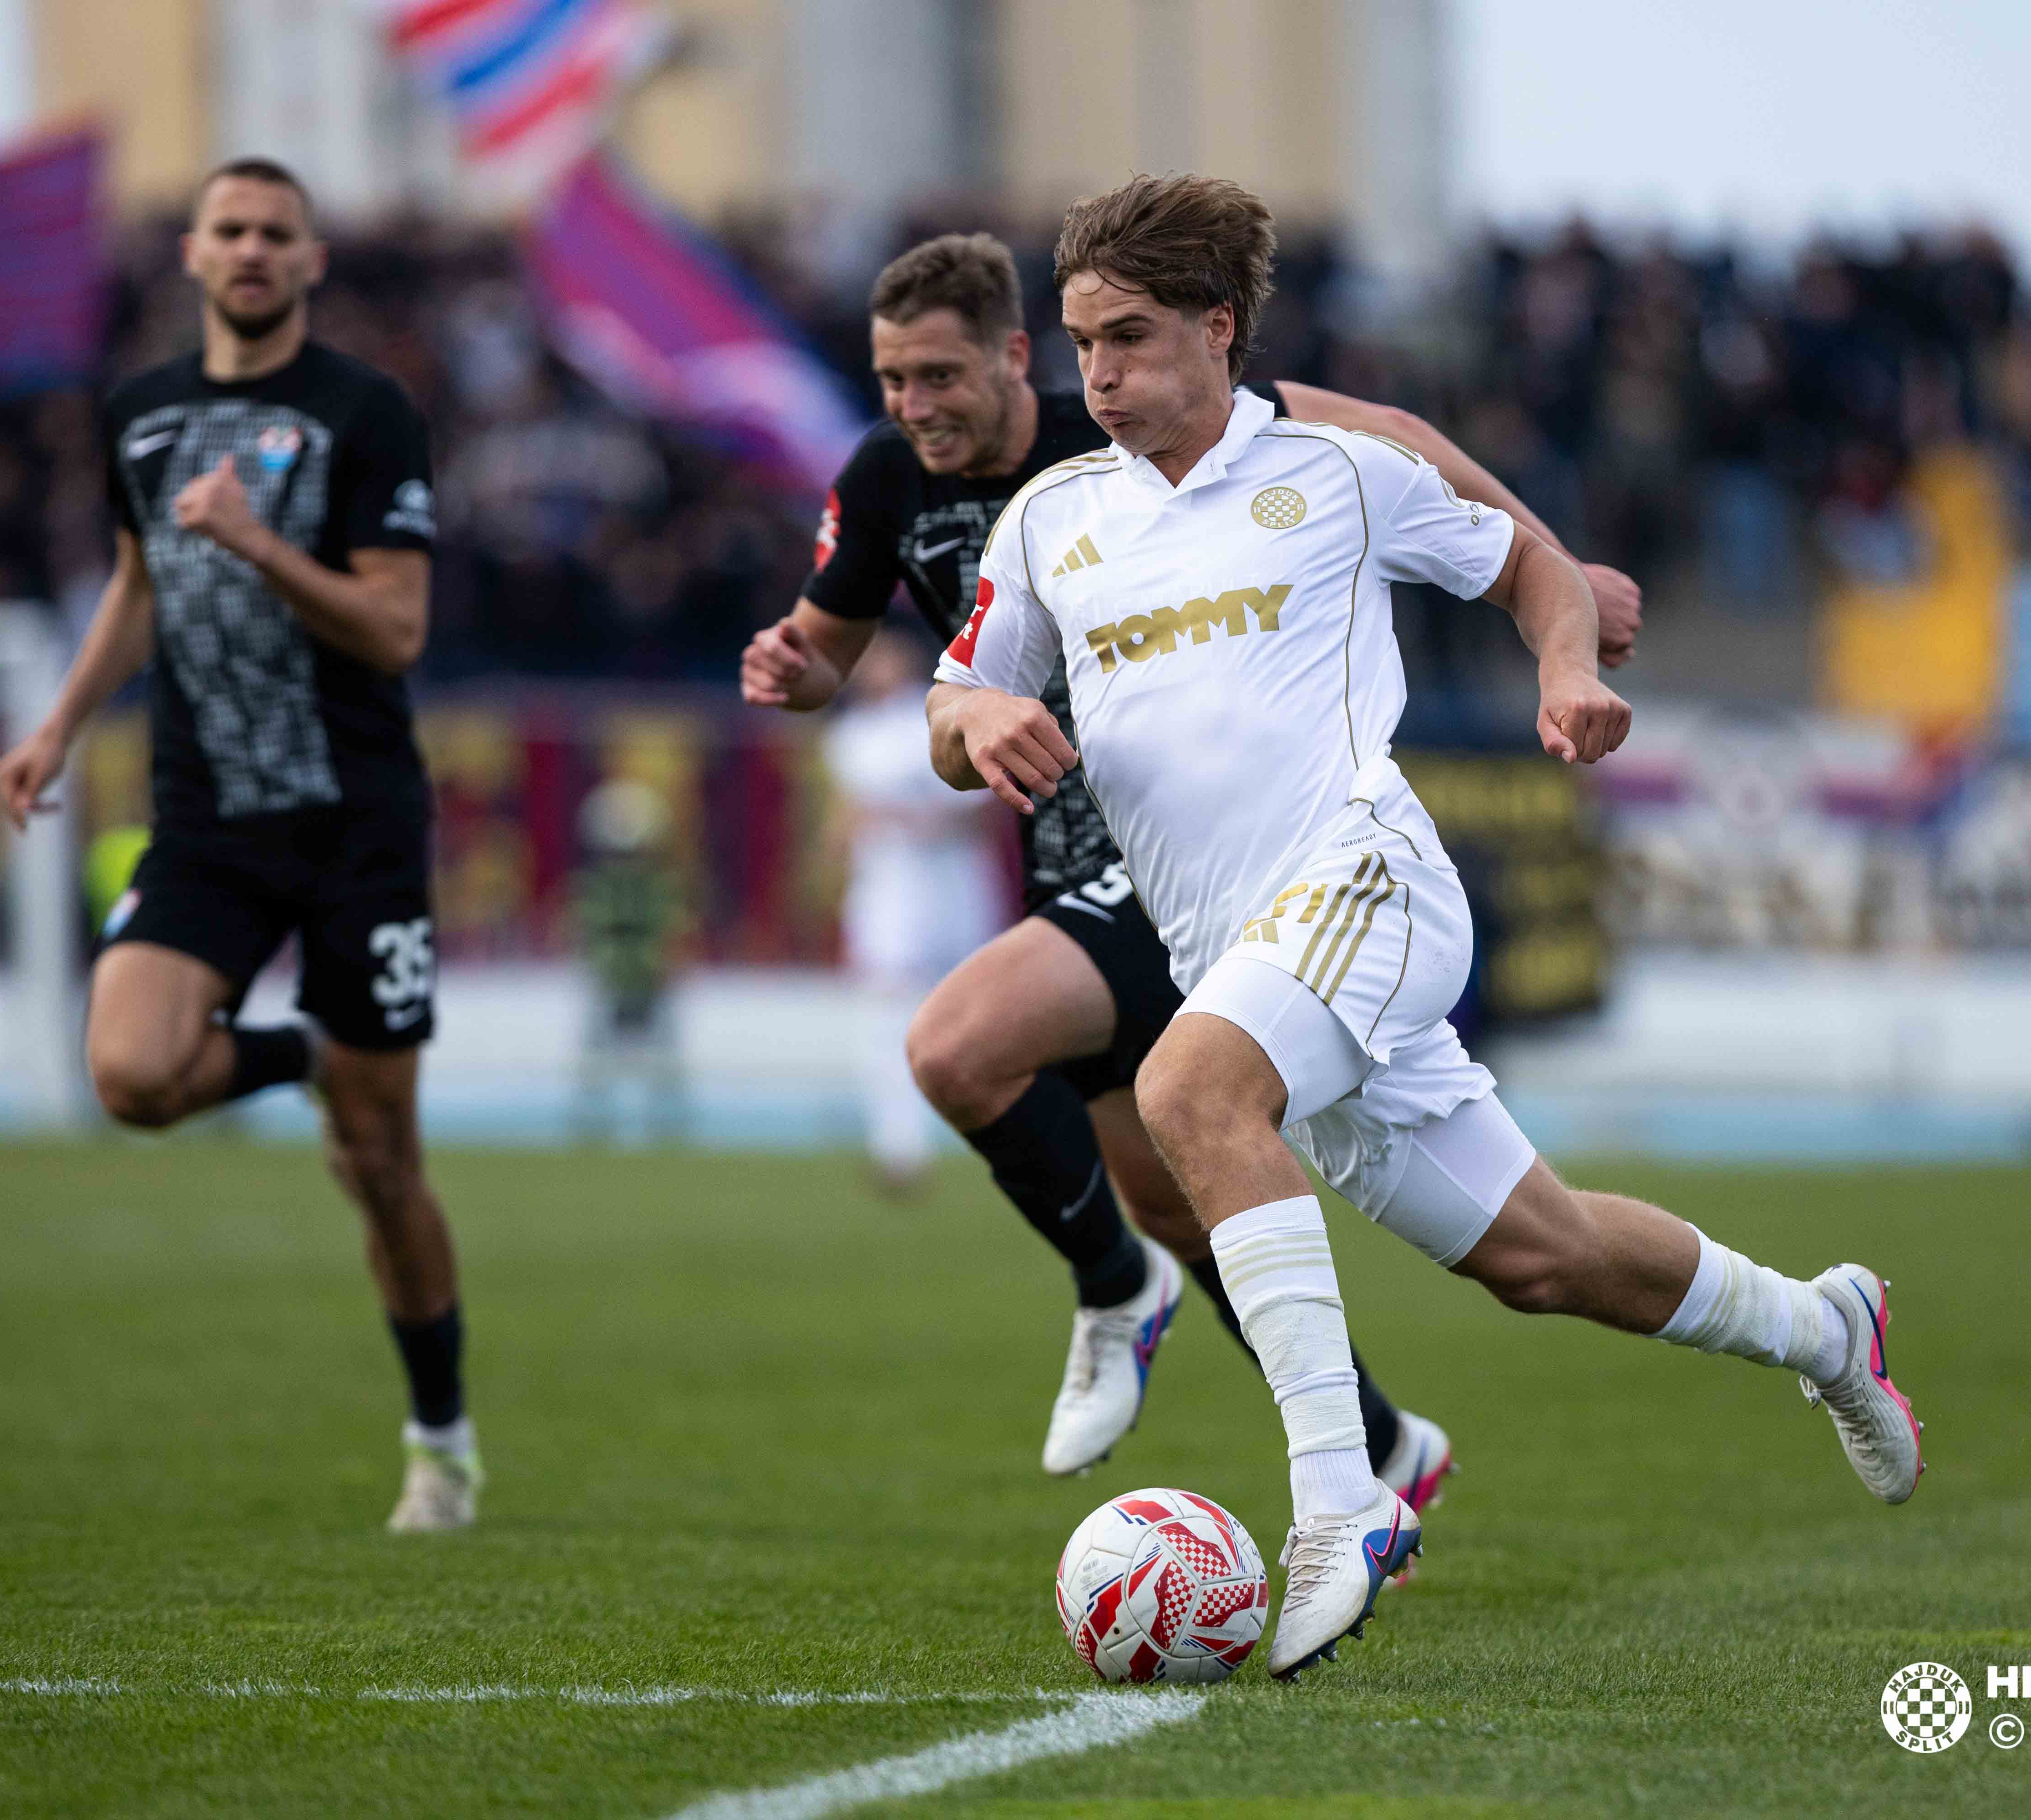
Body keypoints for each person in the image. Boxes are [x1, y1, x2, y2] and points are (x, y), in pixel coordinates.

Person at [931, 174, 1922, 1680]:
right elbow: (952, 704)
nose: (1102, 378)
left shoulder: (1335, 468)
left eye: (1131, 340)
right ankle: (1826, 1330)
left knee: (1190, 1090)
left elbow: (1528, 563)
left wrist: (1565, 670)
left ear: (1221, 329)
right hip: (1240, 957)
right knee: (1545, 1256)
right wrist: (982, 711)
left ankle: (1343, 1503)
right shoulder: (1054, 517)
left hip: (1371, 885)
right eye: (1081, 346)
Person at [742, 232, 1638, 1503]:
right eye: (892, 380)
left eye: (940, 376)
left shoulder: (1132, 431)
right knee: (1176, 1198)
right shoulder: (887, 480)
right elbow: (836, 656)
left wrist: (1557, 574)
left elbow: (1377, 430)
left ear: (1010, 359)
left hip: (1180, 860)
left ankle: (1125, 1304)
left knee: (958, 1045)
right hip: (1089, 864)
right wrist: (794, 668)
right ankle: (1381, 1444)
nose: (914, 406)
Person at [0, 158, 480, 1533]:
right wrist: (59, 728)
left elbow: (393, 630)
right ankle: (310, 1051)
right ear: (194, 255)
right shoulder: (141, 415)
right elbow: (140, 583)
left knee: (379, 1163)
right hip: (205, 814)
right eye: (231, 230)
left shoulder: (365, 411)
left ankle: (438, 1438)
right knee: (132, 1074)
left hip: (355, 825)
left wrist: (259, 542)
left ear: (312, 260)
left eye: (277, 232)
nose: (253, 250)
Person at [821, 627, 1007, 1193]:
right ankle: (900, 1148)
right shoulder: (850, 735)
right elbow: (848, 820)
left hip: (954, 883)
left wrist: (915, 821)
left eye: (882, 653)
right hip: (890, 891)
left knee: (986, 1016)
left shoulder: (946, 719)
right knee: (887, 1021)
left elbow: (984, 808)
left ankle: (1006, 1142)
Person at [569, 777, 687, 1144]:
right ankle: (599, 1117)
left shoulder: (650, 885)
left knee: (654, 1056)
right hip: (621, 974)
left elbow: (671, 933)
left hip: (637, 975)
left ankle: (660, 1118)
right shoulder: (602, 885)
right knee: (604, 1055)